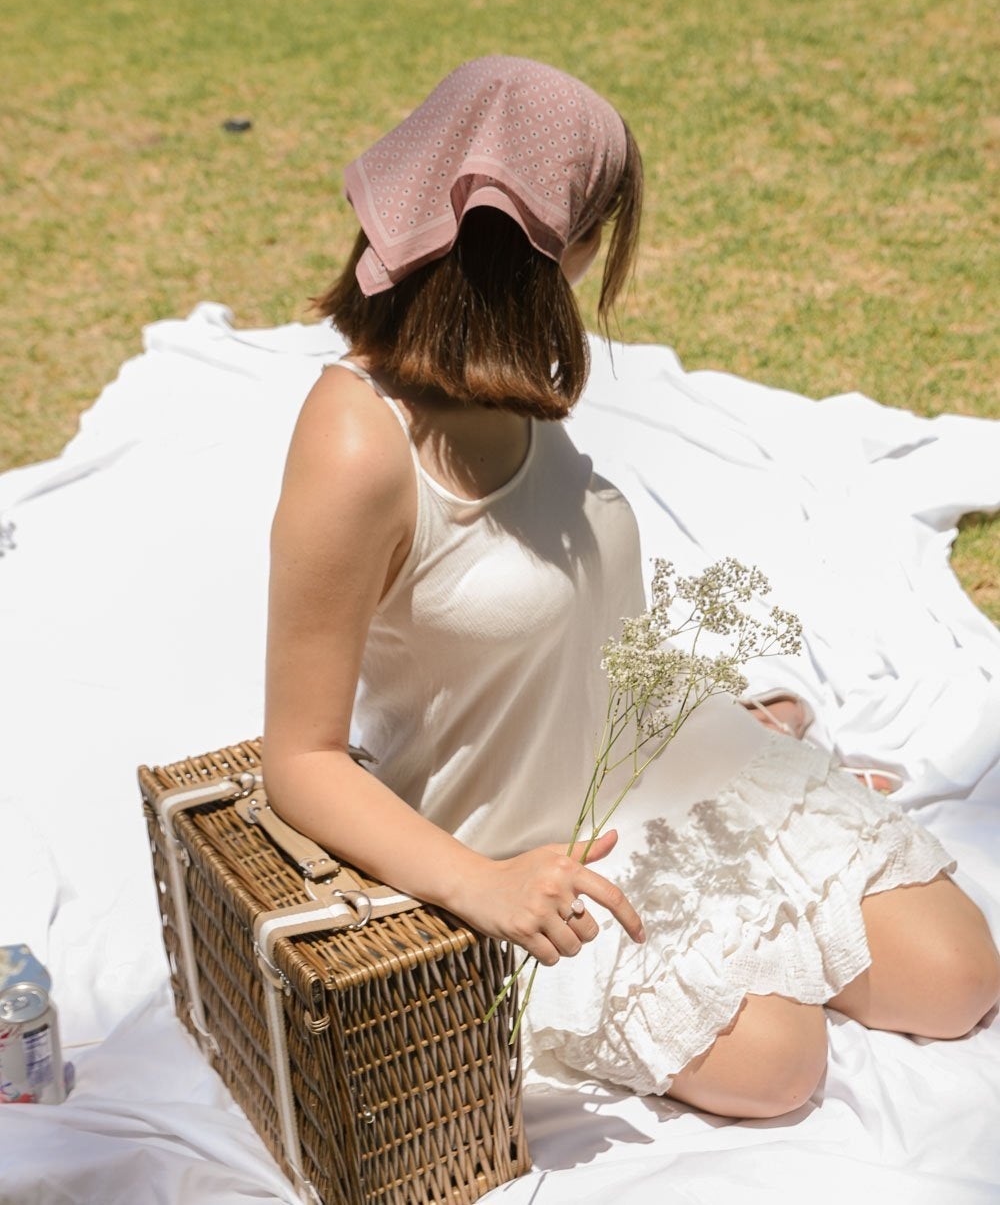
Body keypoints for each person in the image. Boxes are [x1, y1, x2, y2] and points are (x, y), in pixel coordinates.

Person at [263, 55, 1000, 1119]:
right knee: (776, 1067)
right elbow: (300, 756)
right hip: (521, 837)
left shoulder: (507, 380)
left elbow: (561, 609)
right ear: (561, 244)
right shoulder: (356, 441)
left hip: (659, 749)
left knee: (958, 977)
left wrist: (717, 711)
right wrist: (477, 885)